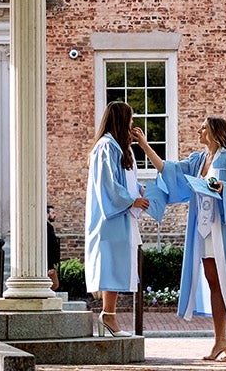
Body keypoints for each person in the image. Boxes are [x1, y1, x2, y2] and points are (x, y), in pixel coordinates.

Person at [136, 117, 226, 361]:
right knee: (213, 283)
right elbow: (167, 170)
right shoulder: (198, 160)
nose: (199, 130)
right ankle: (220, 340)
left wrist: (224, 187)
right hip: (204, 229)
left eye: (203, 127)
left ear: (214, 131)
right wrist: (145, 145)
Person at [83, 101, 150, 338]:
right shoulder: (105, 147)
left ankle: (108, 314)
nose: (132, 124)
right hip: (109, 218)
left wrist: (139, 191)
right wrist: (130, 200)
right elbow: (108, 184)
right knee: (111, 264)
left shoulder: (119, 148)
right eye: (130, 119)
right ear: (121, 120)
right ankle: (108, 316)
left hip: (119, 217)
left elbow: (124, 179)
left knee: (117, 264)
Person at [46, 205, 61, 291]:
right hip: (49, 264)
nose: (54, 215)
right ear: (47, 214)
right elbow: (48, 247)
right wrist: (50, 266)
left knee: (54, 285)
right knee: (54, 284)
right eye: (52, 213)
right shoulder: (46, 228)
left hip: (51, 263)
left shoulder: (49, 227)